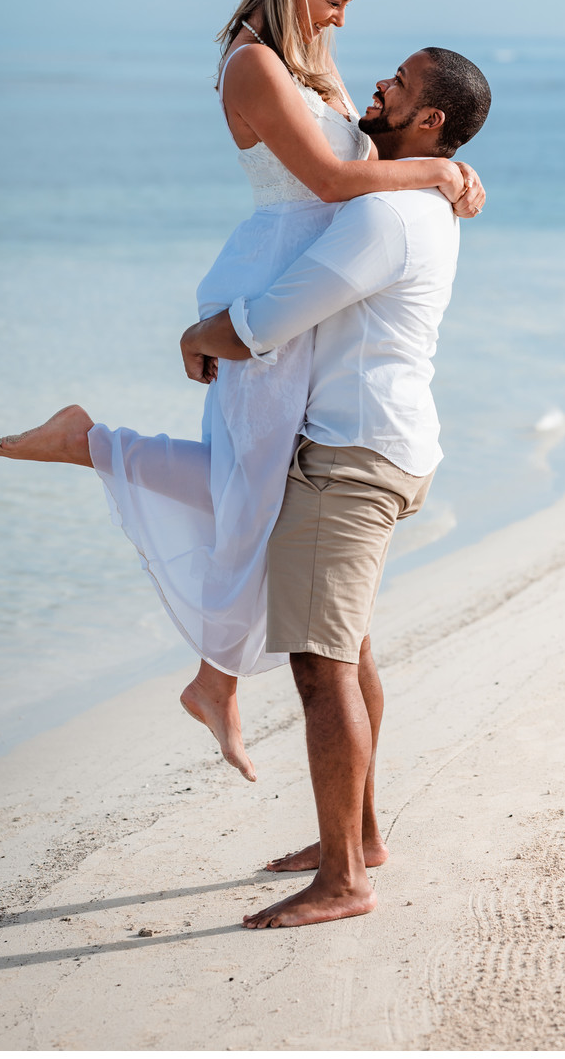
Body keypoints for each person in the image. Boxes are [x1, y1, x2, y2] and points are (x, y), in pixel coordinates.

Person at [0, 0, 485, 784]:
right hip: (271, 283)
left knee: (245, 477)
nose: (340, 23)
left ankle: (89, 445)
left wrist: (439, 162)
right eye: (333, 1)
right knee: (250, 490)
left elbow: (364, 152)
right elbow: (331, 182)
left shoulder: (310, 63)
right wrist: (433, 171)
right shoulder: (253, 63)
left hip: (304, 286)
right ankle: (215, 679)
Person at [178, 45, 491, 927]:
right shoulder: (414, 199)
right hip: (389, 442)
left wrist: (198, 335)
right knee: (347, 649)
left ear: (428, 121)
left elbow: (270, 320)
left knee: (321, 668)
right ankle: (358, 838)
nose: (379, 86)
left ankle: (345, 878)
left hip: (351, 458)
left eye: (400, 84)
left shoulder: (385, 219)